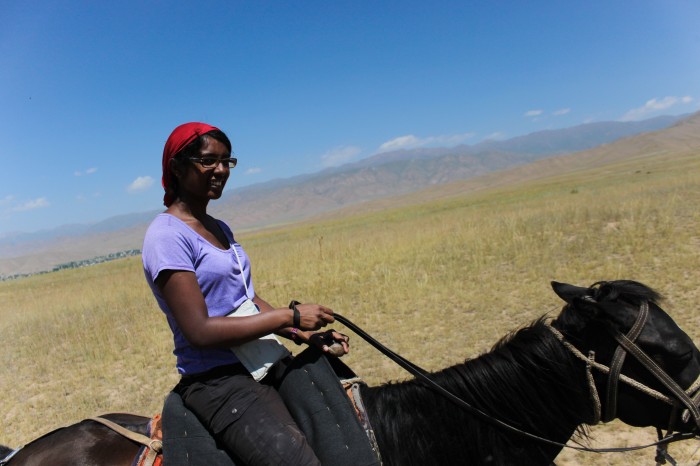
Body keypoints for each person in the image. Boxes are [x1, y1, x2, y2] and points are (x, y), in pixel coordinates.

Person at [142, 122, 350, 466]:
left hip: (261, 355)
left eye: (227, 162)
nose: (221, 170)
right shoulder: (166, 236)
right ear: (177, 167)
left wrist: (301, 333)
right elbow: (199, 331)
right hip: (218, 380)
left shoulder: (218, 227)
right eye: (209, 161)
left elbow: (246, 301)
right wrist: (289, 315)